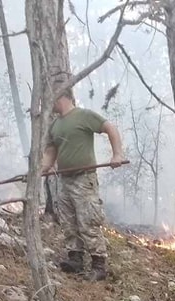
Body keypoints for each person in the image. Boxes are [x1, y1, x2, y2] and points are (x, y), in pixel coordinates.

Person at [41, 89, 125, 281]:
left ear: (61, 97)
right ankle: (75, 259)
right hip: (65, 181)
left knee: (89, 220)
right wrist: (43, 168)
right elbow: (51, 151)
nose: (50, 104)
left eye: (52, 99)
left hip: (84, 179)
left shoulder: (84, 115)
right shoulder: (55, 125)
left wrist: (117, 154)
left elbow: (109, 128)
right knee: (69, 222)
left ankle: (98, 264)